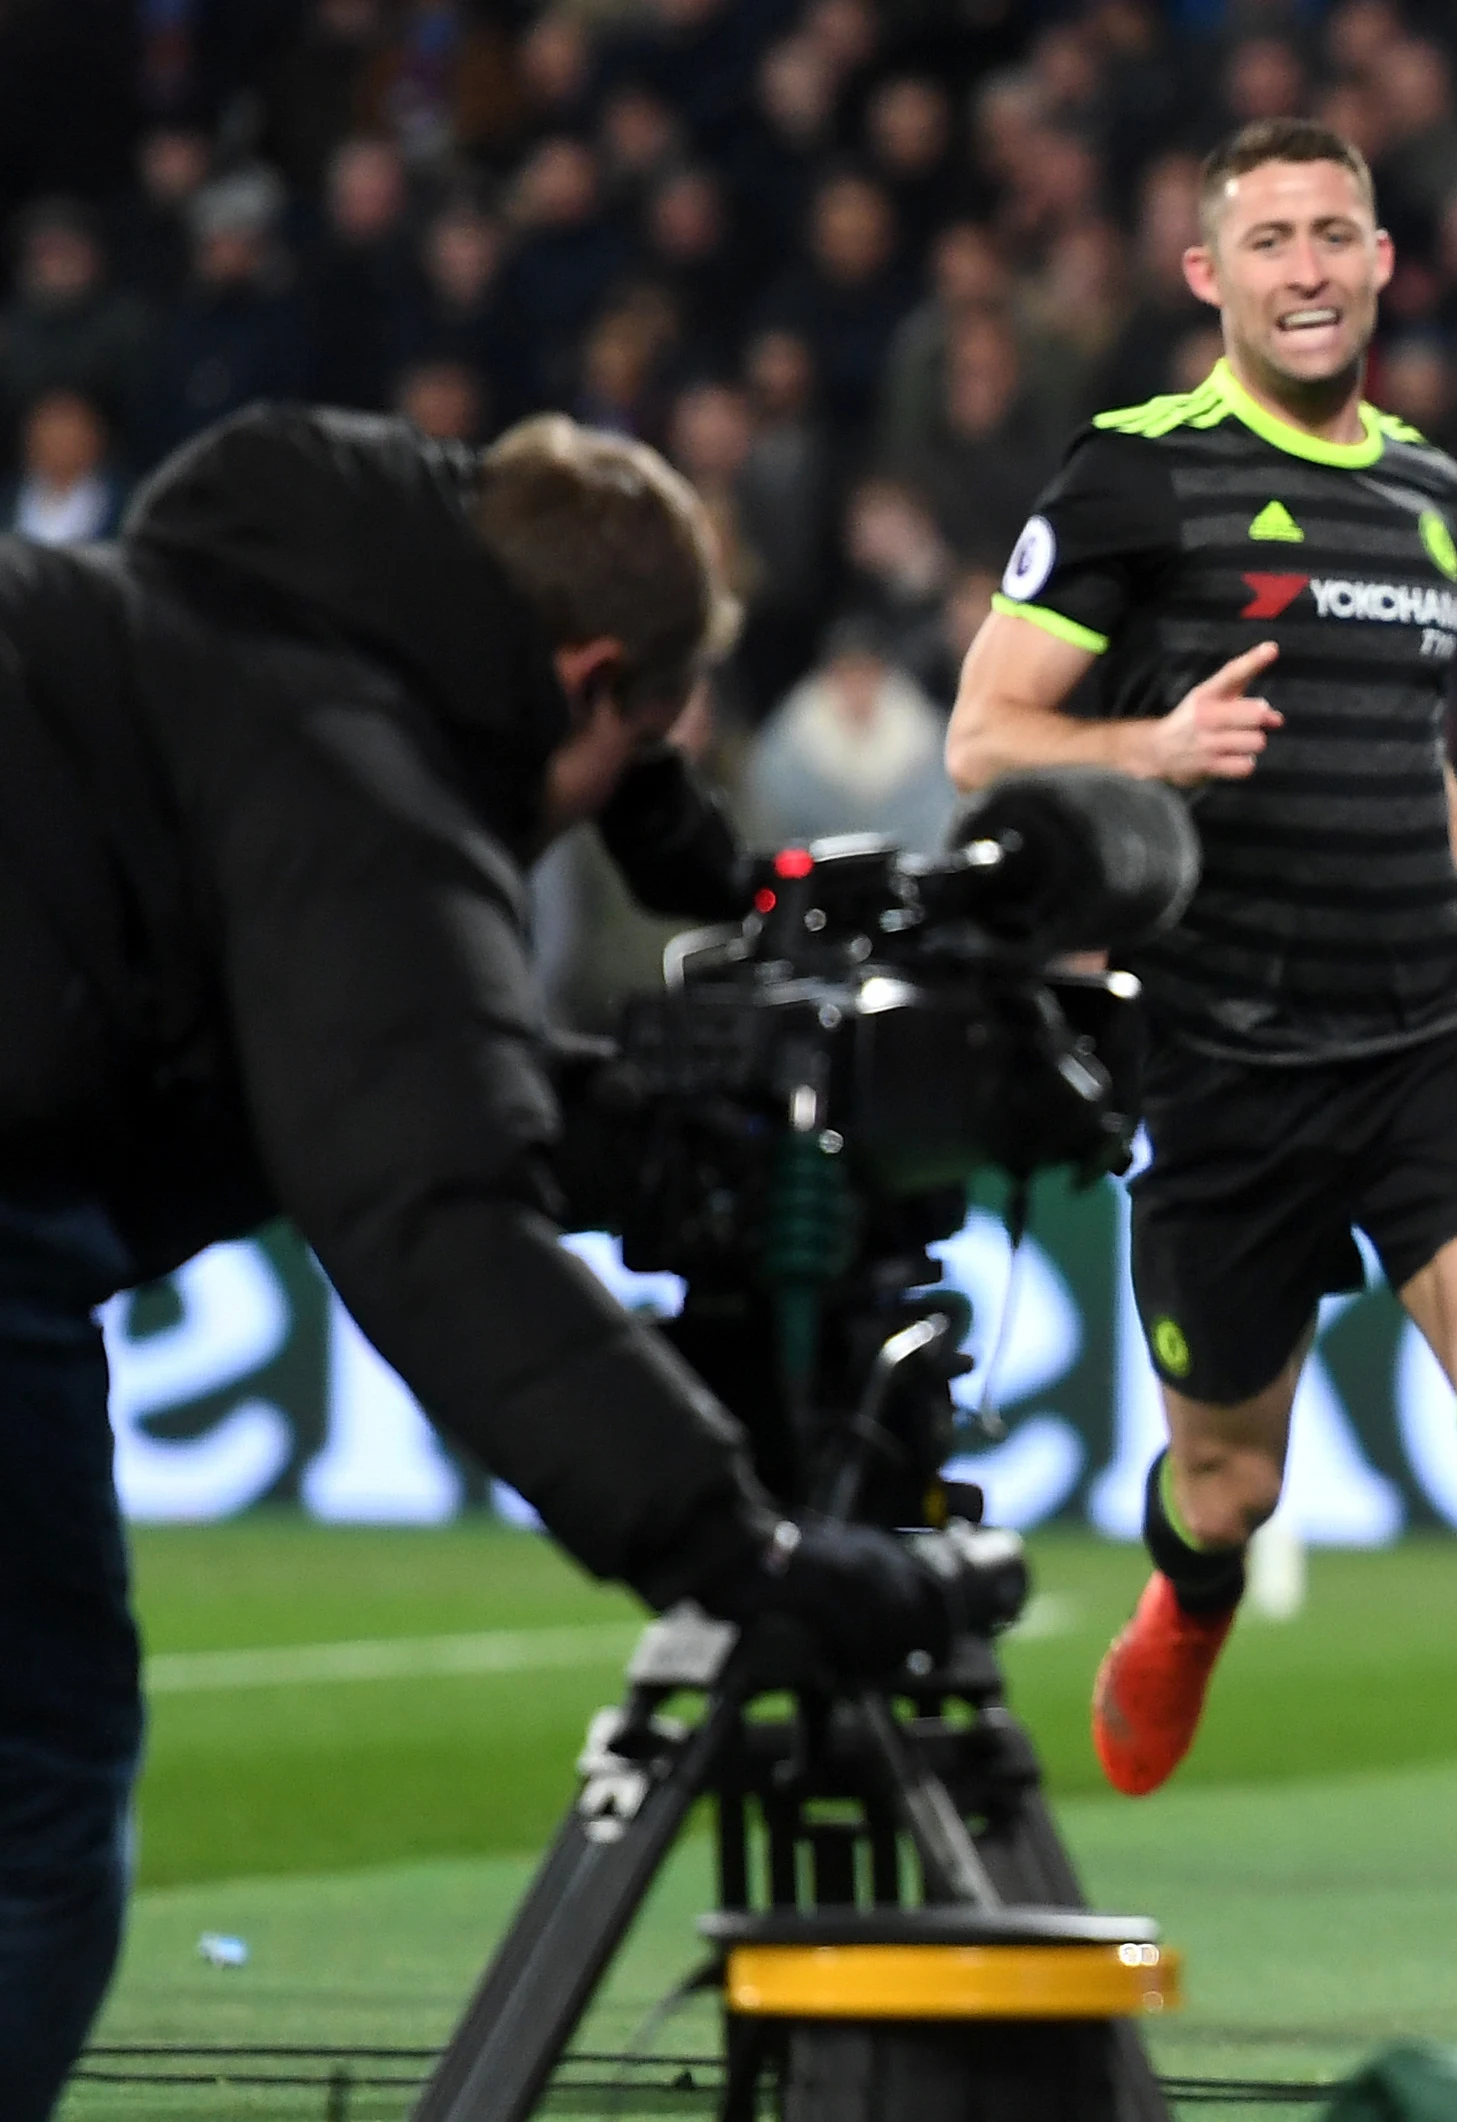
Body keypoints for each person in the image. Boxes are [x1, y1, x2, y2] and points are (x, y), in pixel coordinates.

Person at [0, 407, 957, 2120]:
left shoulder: (255, 587)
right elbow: (432, 1214)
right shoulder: (365, 796)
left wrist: (672, 844)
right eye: (642, 724)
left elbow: (311, 1071)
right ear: (590, 674)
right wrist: (733, 1542)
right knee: (35, 1814)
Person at [935, 119, 1457, 1998]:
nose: (1309, 267)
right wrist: (1147, 750)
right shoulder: (1134, 481)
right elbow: (986, 738)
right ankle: (1189, 1593)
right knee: (1230, 1481)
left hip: (1430, 1034)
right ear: (1211, 277)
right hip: (1227, 1063)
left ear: (1387, 258)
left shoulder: (1425, 487)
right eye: (1270, 239)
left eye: (1337, 232)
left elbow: (1398, 758)